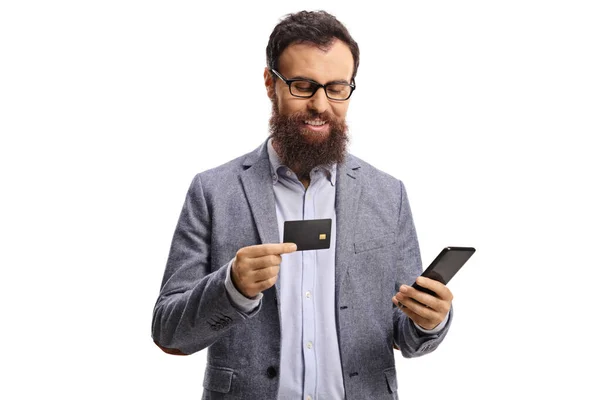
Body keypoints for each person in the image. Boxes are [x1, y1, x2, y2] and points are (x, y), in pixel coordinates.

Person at [152, 10, 454, 400]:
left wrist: (430, 321)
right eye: (302, 85)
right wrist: (232, 287)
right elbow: (168, 332)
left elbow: (406, 334)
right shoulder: (213, 191)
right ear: (269, 83)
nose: (320, 104)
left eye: (336, 88)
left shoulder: (387, 194)